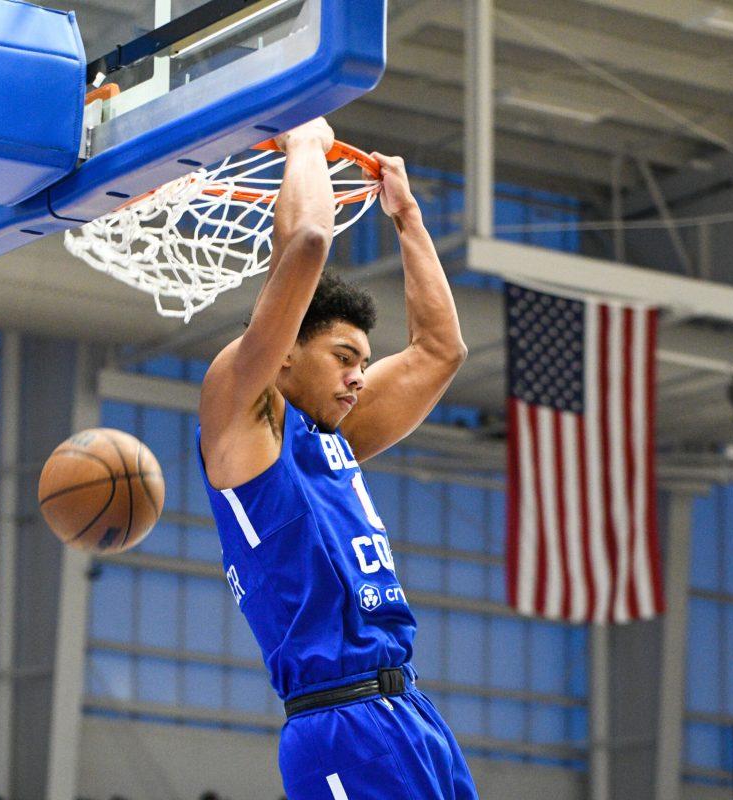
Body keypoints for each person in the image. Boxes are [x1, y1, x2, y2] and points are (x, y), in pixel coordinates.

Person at [196, 117, 476, 799]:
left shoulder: (334, 440)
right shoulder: (244, 416)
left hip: (411, 712)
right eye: (343, 359)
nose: (358, 377)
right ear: (286, 352)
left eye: (363, 363)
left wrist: (408, 217)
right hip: (337, 720)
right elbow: (307, 243)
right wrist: (303, 145)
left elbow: (442, 351)